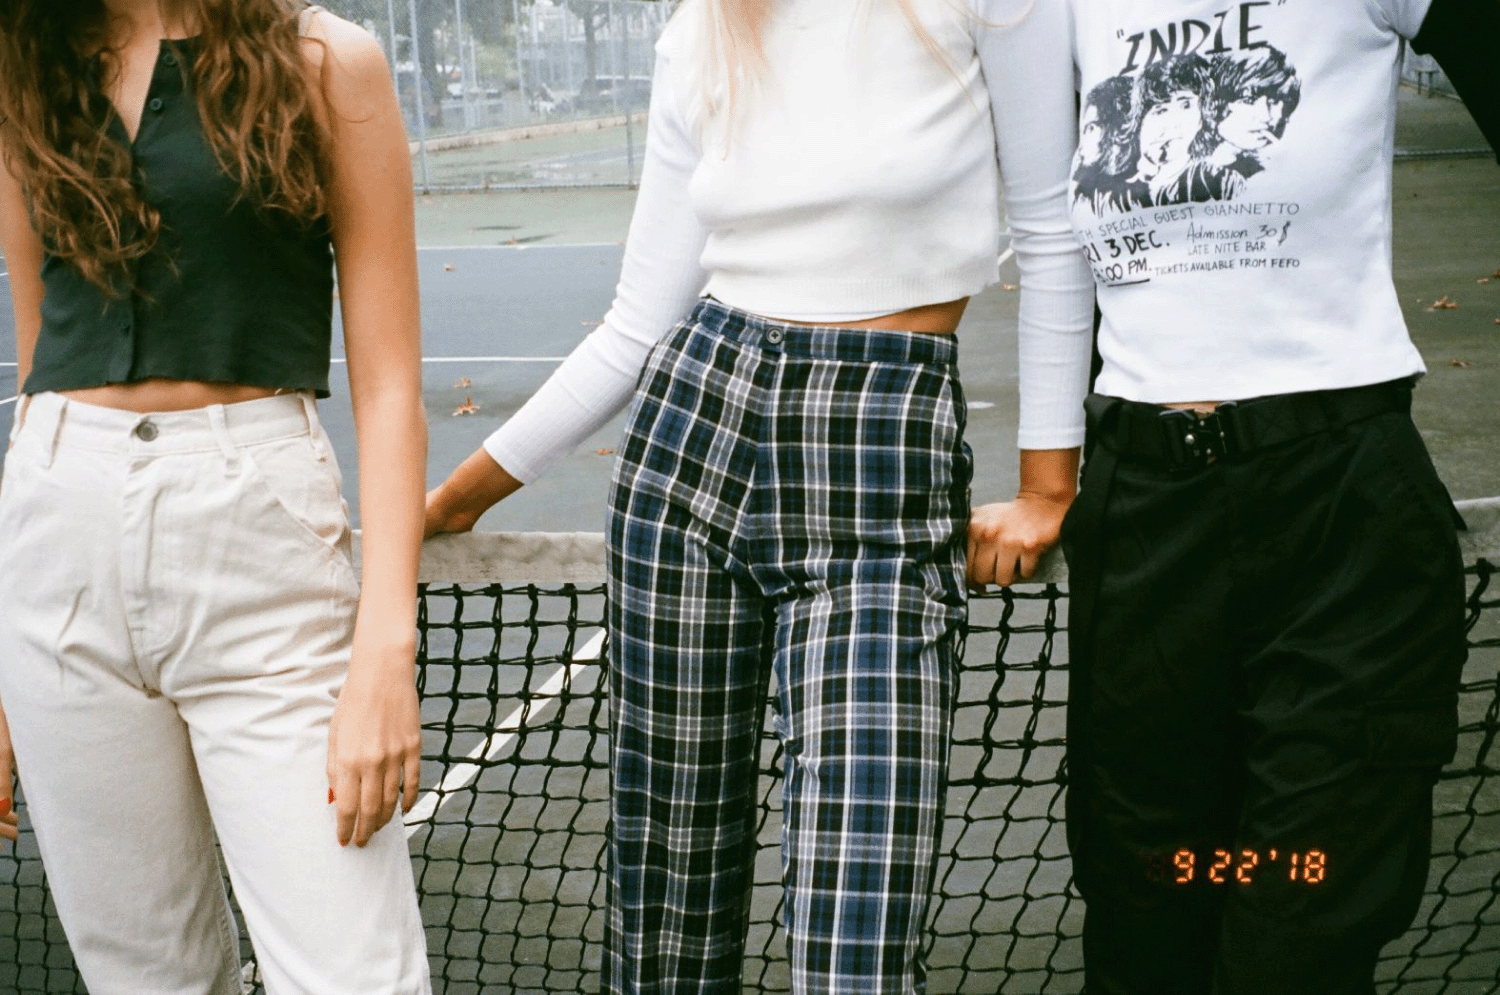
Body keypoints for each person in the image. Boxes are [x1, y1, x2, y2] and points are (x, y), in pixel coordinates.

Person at [424, 0, 1093, 990]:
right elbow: (637, 323)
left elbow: (1051, 230)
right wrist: (452, 500)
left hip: (882, 459)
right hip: (692, 441)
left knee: (853, 947)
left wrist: (1049, 480)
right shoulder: (701, 27)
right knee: (666, 922)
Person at [984, 0, 1500, 991]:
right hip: (1146, 526)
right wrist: (1048, 481)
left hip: (1340, 510)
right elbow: (1053, 239)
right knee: (1152, 914)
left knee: (1297, 923)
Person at [0, 1, 431, 992]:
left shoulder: (330, 60)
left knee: (355, 972)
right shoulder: (26, 59)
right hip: (56, 529)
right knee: (145, 974)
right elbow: (38, 355)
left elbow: (392, 385)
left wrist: (383, 652)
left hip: (256, 530)